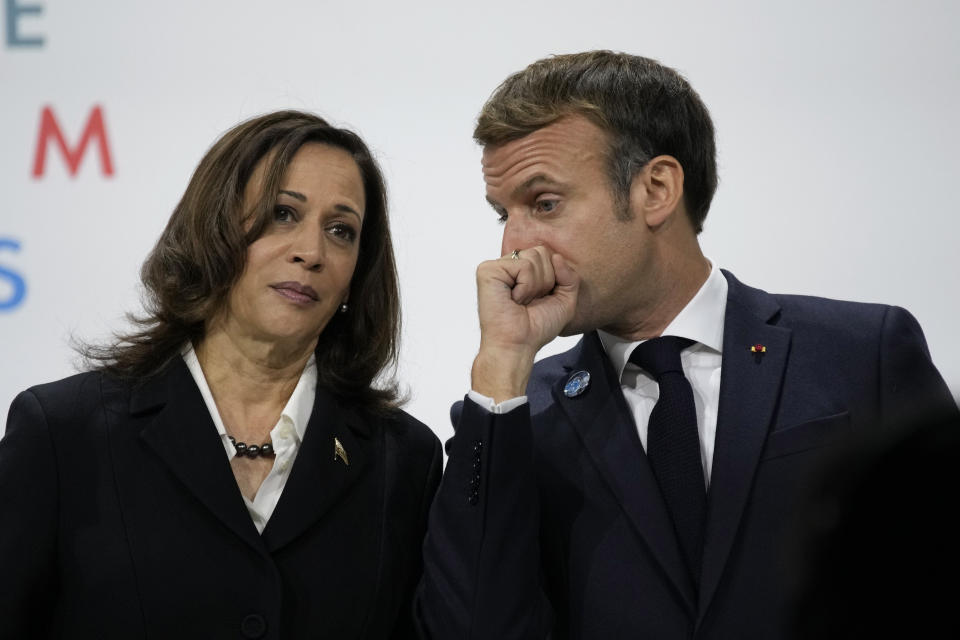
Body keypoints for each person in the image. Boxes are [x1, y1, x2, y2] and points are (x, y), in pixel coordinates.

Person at [416, 51, 957, 639]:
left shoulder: (862, 354)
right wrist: (501, 367)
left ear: (656, 189)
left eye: (544, 203)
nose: (514, 245)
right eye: (504, 213)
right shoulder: (519, 418)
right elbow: (469, 627)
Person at [0, 110, 441, 639]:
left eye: (341, 230)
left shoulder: (403, 459)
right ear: (213, 230)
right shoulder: (63, 434)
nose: (311, 252)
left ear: (356, 277)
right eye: (282, 214)